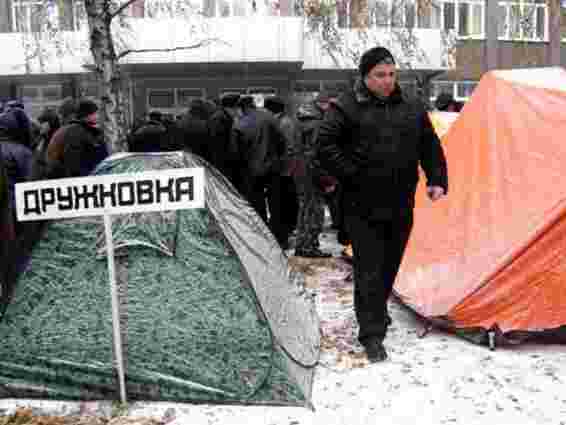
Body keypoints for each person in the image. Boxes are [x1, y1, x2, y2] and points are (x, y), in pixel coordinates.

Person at [317, 46, 448, 362]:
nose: (387, 80)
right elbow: (324, 146)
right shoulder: (346, 107)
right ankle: (372, 333)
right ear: (365, 76)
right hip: (361, 205)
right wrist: (351, 173)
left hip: (400, 201)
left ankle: (376, 311)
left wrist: (437, 179)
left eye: (391, 74)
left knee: (390, 264)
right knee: (368, 269)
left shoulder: (411, 107)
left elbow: (429, 145)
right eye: (380, 75)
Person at [46, 99, 108, 179]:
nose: (97, 116)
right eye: (94, 113)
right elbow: (74, 163)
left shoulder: (90, 131)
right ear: (87, 115)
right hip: (83, 182)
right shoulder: (76, 132)